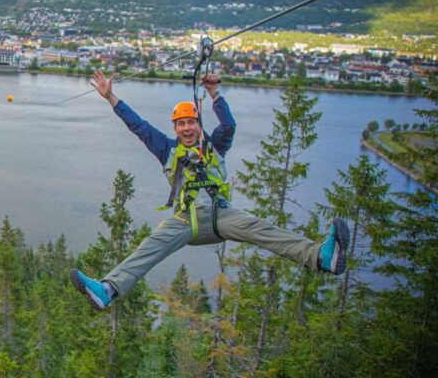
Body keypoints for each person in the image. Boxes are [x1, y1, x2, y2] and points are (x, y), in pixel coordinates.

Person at [69, 70, 349, 311]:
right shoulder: (167, 149)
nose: (187, 127)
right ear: (175, 128)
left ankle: (321, 257)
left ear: (199, 126)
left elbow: (229, 125)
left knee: (262, 229)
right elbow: (138, 126)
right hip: (186, 219)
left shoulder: (215, 146)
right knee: (150, 246)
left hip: (220, 215)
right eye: (181, 124)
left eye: (191, 122)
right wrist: (111, 98)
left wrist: (215, 94)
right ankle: (107, 290)